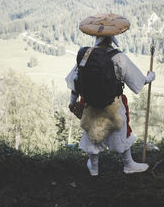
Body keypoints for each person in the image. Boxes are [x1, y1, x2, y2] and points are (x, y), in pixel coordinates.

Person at [65, 34, 155, 176]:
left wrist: (72, 102)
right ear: (111, 40)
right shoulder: (119, 57)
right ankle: (128, 164)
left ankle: (94, 168)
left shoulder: (86, 56)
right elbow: (137, 80)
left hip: (91, 106)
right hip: (113, 106)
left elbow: (75, 81)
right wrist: (150, 77)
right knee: (121, 132)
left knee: (92, 133)